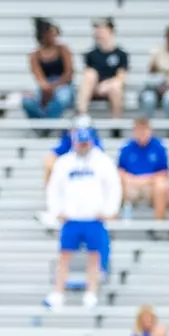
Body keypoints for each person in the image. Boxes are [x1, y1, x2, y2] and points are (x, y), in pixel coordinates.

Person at [44, 125, 119, 310]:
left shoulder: (103, 162)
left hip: (94, 218)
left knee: (94, 257)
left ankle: (91, 292)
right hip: (71, 218)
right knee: (64, 256)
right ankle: (58, 293)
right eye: (80, 142)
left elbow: (114, 186)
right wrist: (56, 211)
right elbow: (54, 188)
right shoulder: (64, 162)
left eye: (86, 142)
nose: (83, 146)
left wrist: (109, 210)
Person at [118, 116, 169, 220]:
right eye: (139, 129)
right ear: (134, 131)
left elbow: (164, 173)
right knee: (117, 184)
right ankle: (114, 224)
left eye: (144, 129)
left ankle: (158, 224)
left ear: (150, 131)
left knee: (161, 186)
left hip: (150, 187)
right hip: (131, 187)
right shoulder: (127, 148)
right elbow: (120, 171)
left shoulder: (158, 147)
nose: (142, 133)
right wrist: (133, 180)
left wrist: (142, 180)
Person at [78, 17, 130, 117]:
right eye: (96, 29)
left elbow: (121, 77)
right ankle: (82, 116)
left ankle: (116, 125)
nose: (98, 32)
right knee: (90, 75)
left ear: (110, 30)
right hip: (94, 88)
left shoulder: (121, 54)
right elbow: (87, 74)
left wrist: (106, 85)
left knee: (116, 86)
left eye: (101, 29)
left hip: (111, 89)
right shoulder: (91, 55)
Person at [25, 19, 76, 120]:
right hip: (46, 86)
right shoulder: (35, 55)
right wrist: (46, 87)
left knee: (62, 98)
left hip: (63, 85)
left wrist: (54, 87)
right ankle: (43, 124)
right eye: (50, 33)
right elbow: (40, 78)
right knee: (27, 101)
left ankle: (47, 125)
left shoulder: (63, 49)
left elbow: (69, 73)